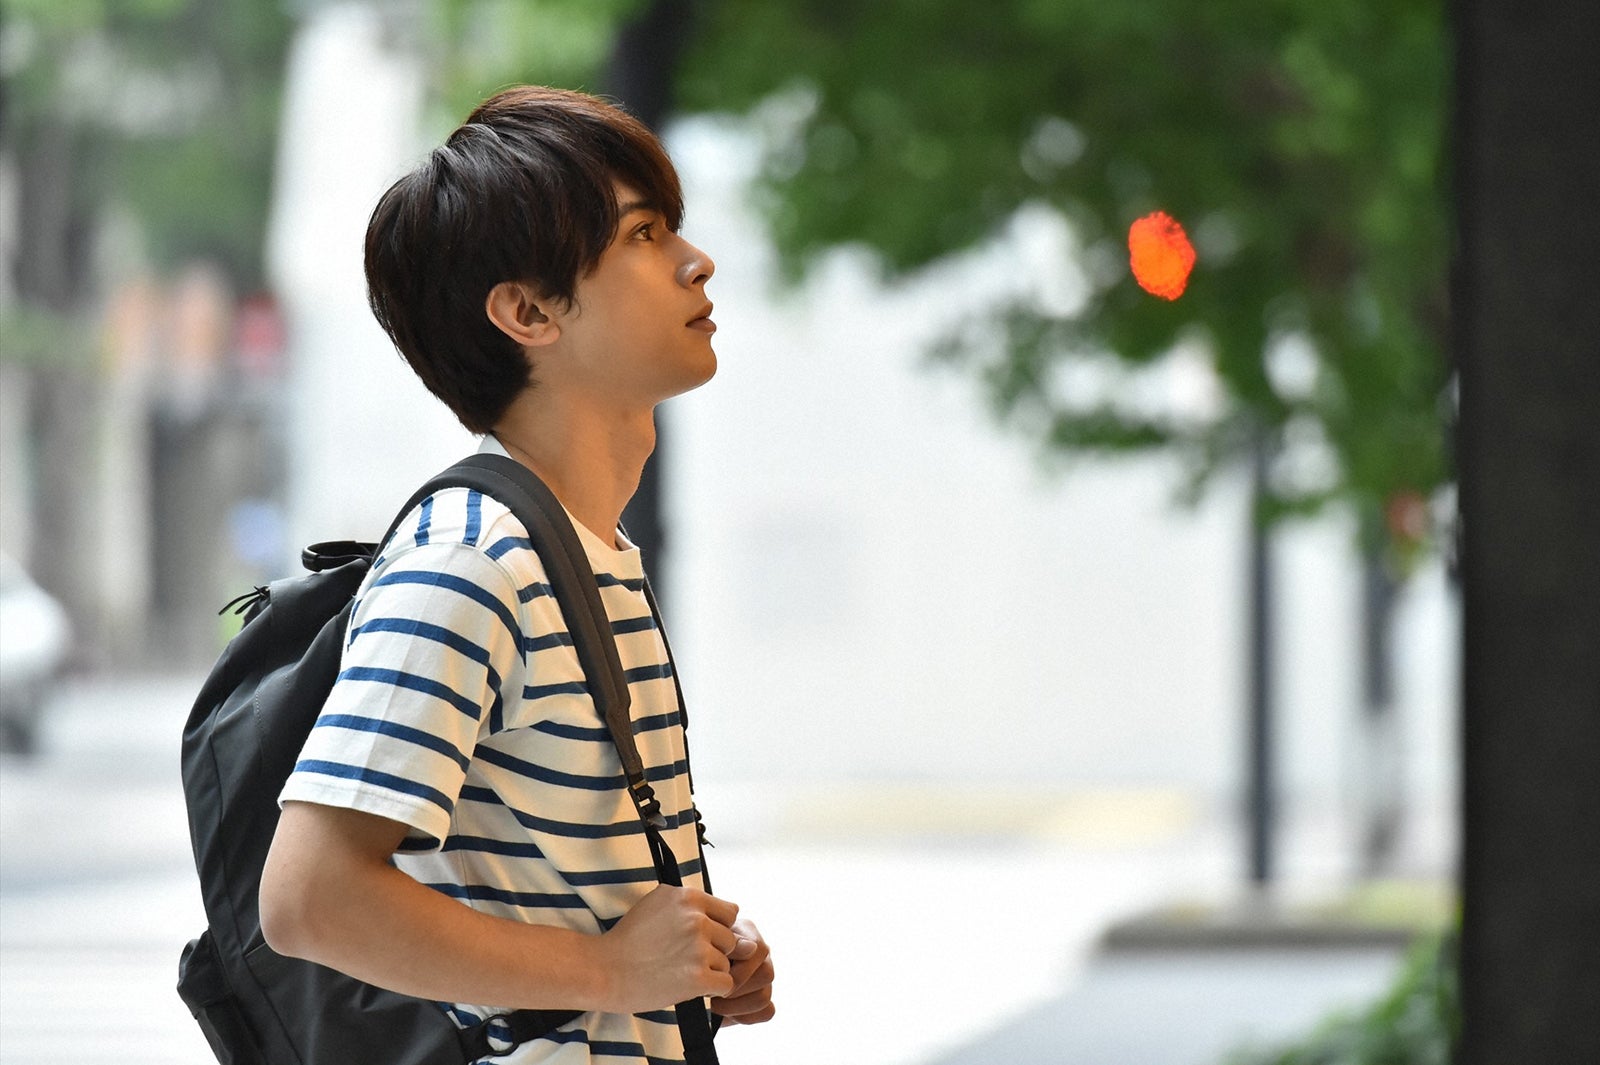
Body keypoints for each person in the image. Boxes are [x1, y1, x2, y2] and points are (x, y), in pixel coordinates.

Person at [259, 85, 775, 1062]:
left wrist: (688, 962)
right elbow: (308, 897)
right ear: (528, 311)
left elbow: (554, 891)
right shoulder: (472, 562)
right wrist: (610, 973)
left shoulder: (578, 550)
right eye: (644, 234)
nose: (695, 261)